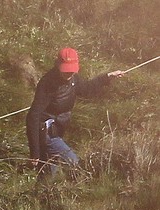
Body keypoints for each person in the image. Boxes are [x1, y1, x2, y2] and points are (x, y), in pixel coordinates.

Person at [26, 47, 124, 176]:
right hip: (47, 134)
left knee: (49, 174)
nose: (69, 73)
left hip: (59, 131)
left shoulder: (74, 79)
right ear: (58, 64)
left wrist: (107, 77)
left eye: (71, 70)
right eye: (66, 70)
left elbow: (87, 88)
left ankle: (44, 194)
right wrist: (35, 152)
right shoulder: (47, 83)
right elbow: (33, 116)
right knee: (73, 162)